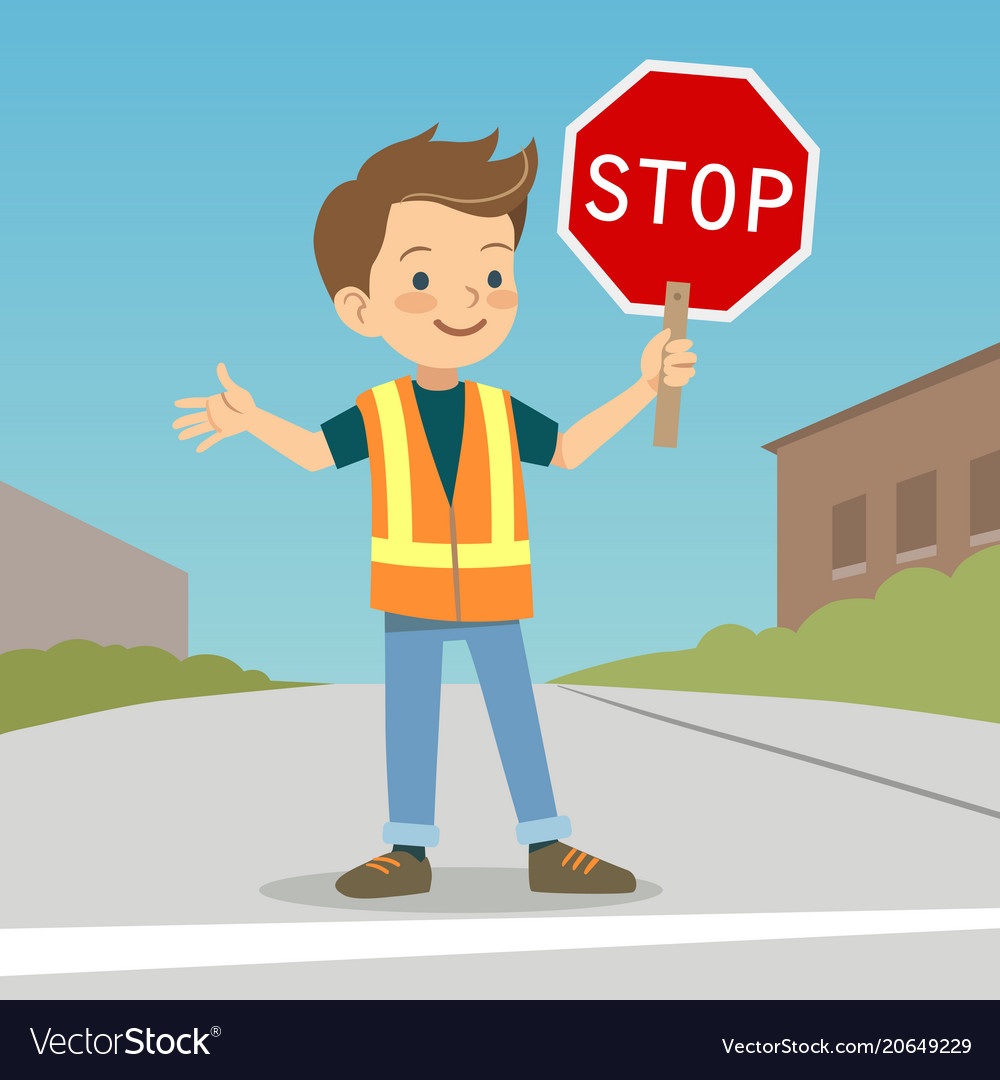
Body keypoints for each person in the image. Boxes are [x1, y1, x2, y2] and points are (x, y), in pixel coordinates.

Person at [173, 126, 696, 898]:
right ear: (361, 308)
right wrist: (252, 422)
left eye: (493, 273)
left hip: (492, 594)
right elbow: (319, 454)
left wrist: (645, 387)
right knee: (411, 721)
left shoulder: (498, 408)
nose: (467, 301)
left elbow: (572, 450)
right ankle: (408, 849)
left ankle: (547, 843)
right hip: (411, 595)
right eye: (423, 281)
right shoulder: (379, 410)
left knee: (515, 716)